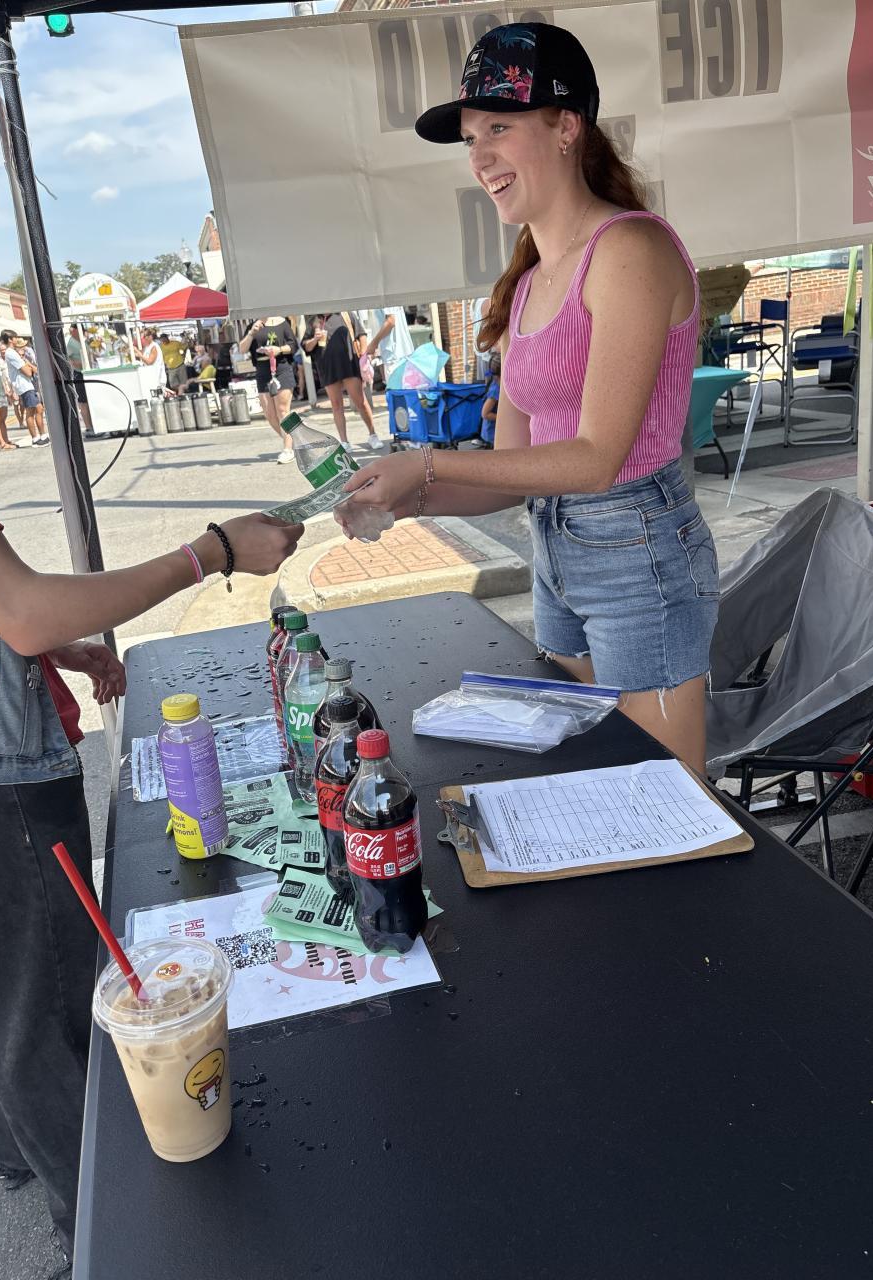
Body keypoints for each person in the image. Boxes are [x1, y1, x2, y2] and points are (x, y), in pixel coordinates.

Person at [0, 117, 303, 1274]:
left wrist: (49, 652)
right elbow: (19, 606)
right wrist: (212, 550)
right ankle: (101, 1231)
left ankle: (10, 1152)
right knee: (43, 1010)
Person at [341, 23, 718, 775]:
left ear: (566, 126)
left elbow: (596, 459)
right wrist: (404, 499)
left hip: (638, 549)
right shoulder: (527, 283)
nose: (478, 158)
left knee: (666, 800)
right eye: (470, 139)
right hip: (557, 549)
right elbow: (511, 472)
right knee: (580, 774)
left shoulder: (629, 249)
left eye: (498, 129)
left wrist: (425, 464)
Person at [301, 312, 377, 449]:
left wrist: (363, 356)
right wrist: (315, 339)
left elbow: (361, 334)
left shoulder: (345, 314)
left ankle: (373, 434)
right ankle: (344, 441)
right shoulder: (314, 320)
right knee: (336, 405)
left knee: (360, 401)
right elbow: (306, 346)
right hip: (327, 367)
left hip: (349, 364)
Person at [244, 315, 299, 464]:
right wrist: (251, 333)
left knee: (282, 410)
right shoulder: (254, 325)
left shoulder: (283, 322)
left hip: (281, 368)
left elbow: (293, 345)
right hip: (262, 370)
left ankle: (288, 449)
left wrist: (278, 349)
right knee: (269, 413)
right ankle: (292, 440)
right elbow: (242, 348)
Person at [1, 329, 47, 445]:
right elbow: (28, 372)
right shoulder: (11, 353)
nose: (17, 340)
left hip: (27, 384)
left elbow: (33, 370)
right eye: (15, 338)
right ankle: (35, 438)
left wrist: (28, 365)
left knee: (39, 409)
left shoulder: (13, 353)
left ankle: (42, 435)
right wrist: (28, 367)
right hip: (23, 386)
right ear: (10, 339)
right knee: (31, 411)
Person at [65, 322, 93, 435]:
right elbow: (68, 359)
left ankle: (92, 424)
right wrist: (78, 364)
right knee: (83, 402)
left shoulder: (82, 341)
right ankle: (88, 426)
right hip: (78, 373)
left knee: (88, 400)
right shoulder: (71, 343)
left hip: (85, 372)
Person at [0, 339, 24, 430]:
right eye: (1, 350)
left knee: (22, 404)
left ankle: (22, 418)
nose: (3, 351)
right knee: (16, 405)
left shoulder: (12, 356)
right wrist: (6, 390)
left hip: (17, 383)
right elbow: (1, 377)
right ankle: (20, 422)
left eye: (4, 349)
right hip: (9, 386)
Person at [479, 352, 500, 448]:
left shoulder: (496, 384)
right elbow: (485, 413)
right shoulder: (496, 389)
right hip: (492, 434)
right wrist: (503, 418)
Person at [139, 327, 167, 392]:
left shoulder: (154, 346)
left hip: (158, 378)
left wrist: (139, 355)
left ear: (150, 337)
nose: (142, 339)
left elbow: (149, 362)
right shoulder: (147, 347)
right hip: (152, 378)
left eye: (144, 337)